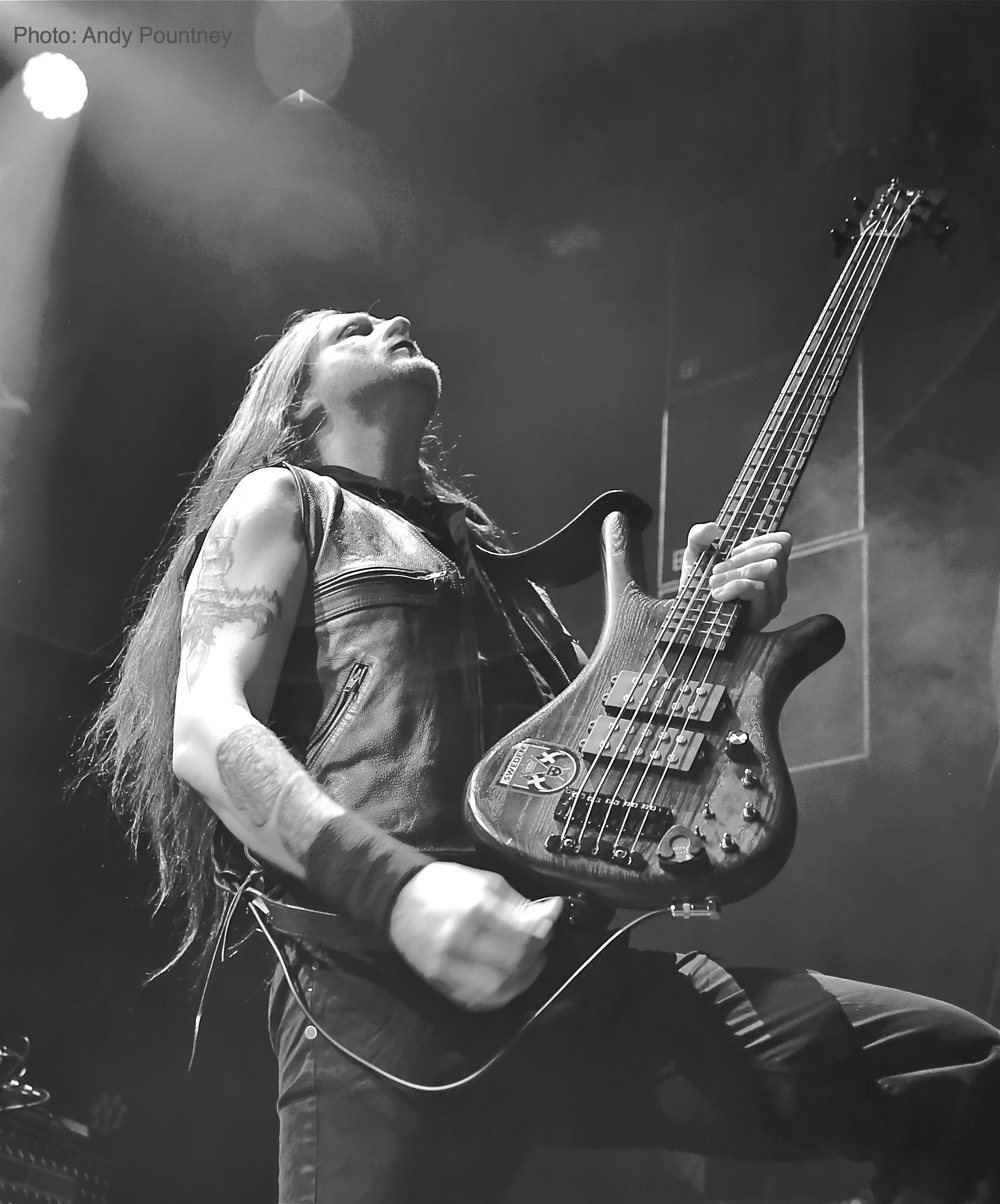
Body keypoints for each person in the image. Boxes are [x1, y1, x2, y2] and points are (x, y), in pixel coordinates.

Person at [86, 308, 1000, 1204]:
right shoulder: (284, 500)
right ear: (297, 403)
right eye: (350, 331)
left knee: (958, 1070)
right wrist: (398, 892)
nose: (392, 319)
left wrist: (710, 636)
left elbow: (605, 771)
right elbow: (205, 728)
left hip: (573, 972)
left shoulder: (493, 567)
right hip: (381, 988)